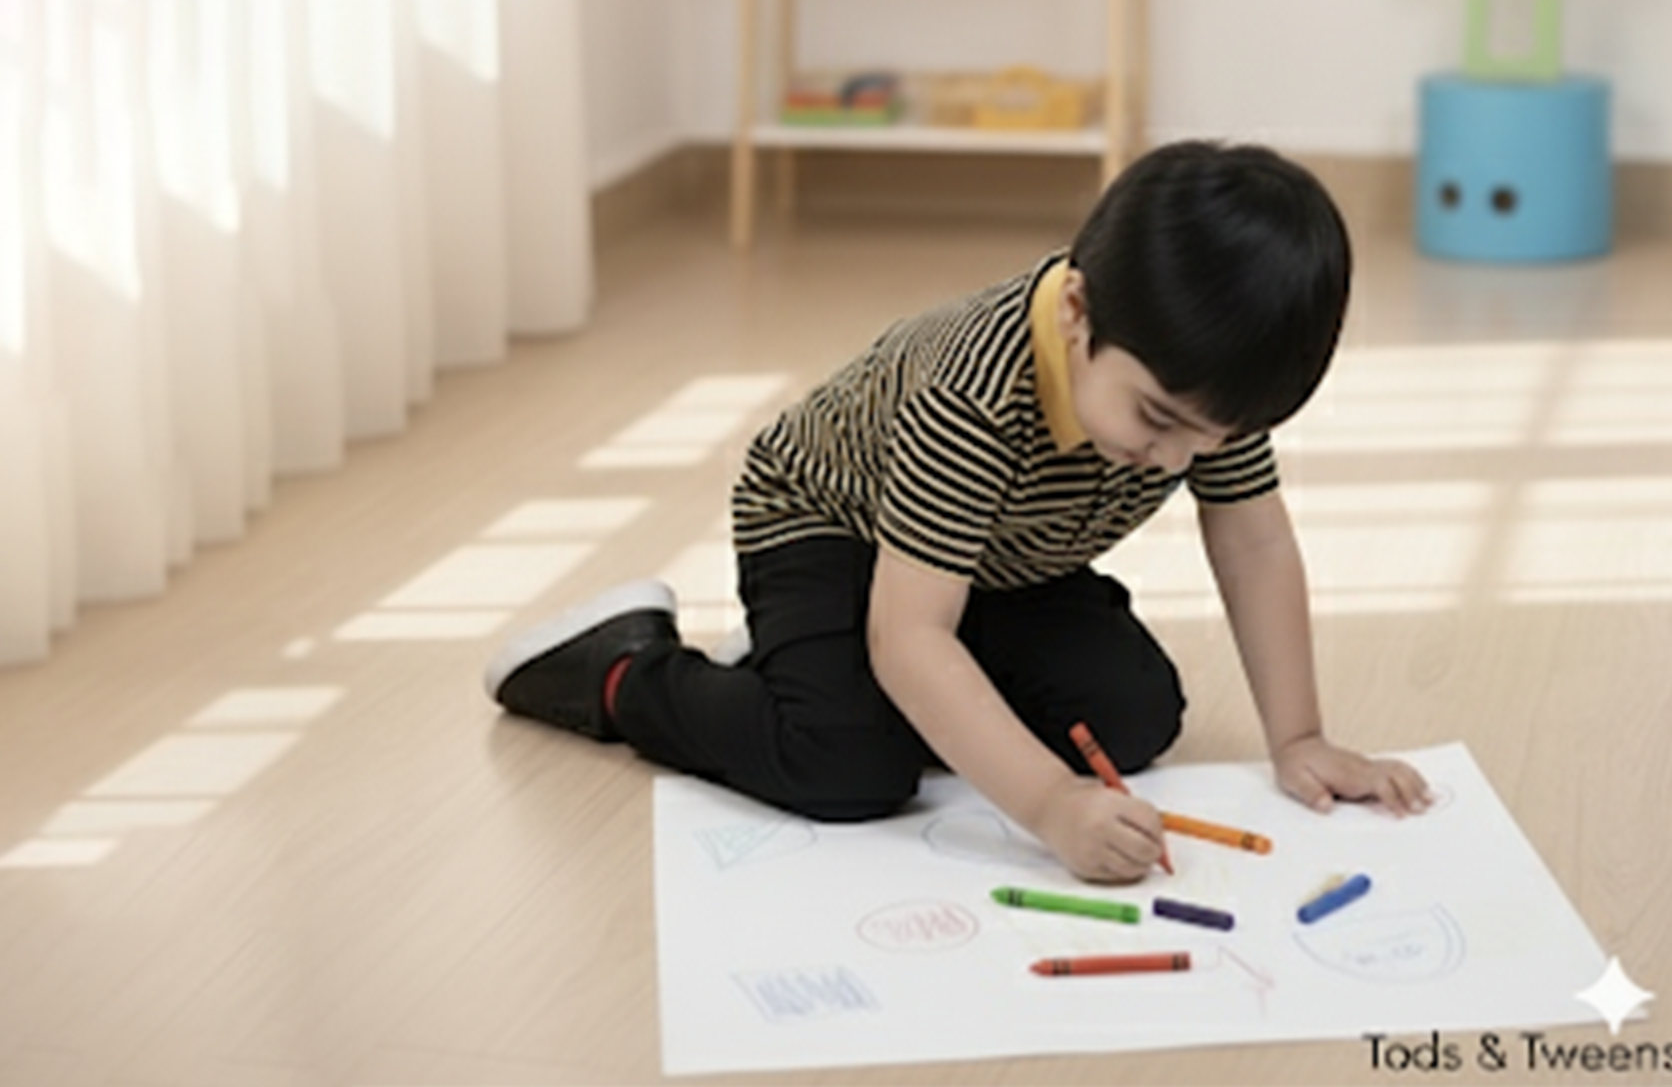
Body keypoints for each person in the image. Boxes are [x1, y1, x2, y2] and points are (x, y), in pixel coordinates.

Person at [484, 139, 1430, 882]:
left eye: (1208, 439)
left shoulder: (1204, 393)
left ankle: (811, 669)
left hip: (996, 561)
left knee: (1135, 716)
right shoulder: (972, 392)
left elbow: (1254, 540)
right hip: (831, 529)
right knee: (847, 768)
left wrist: (1299, 738)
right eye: (1155, 421)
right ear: (1078, 315)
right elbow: (912, 640)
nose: (1175, 459)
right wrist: (1051, 807)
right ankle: (624, 669)